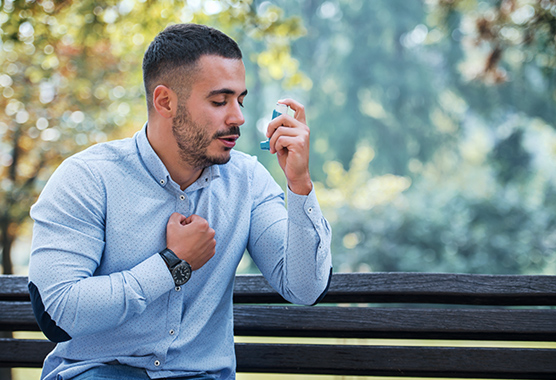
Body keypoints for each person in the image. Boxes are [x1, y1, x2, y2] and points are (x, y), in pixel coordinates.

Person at [28, 23, 332, 380]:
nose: (238, 117)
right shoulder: (88, 178)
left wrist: (299, 183)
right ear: (165, 101)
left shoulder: (247, 180)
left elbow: (304, 288)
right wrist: (172, 265)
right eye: (219, 101)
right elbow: (61, 312)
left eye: (240, 100)